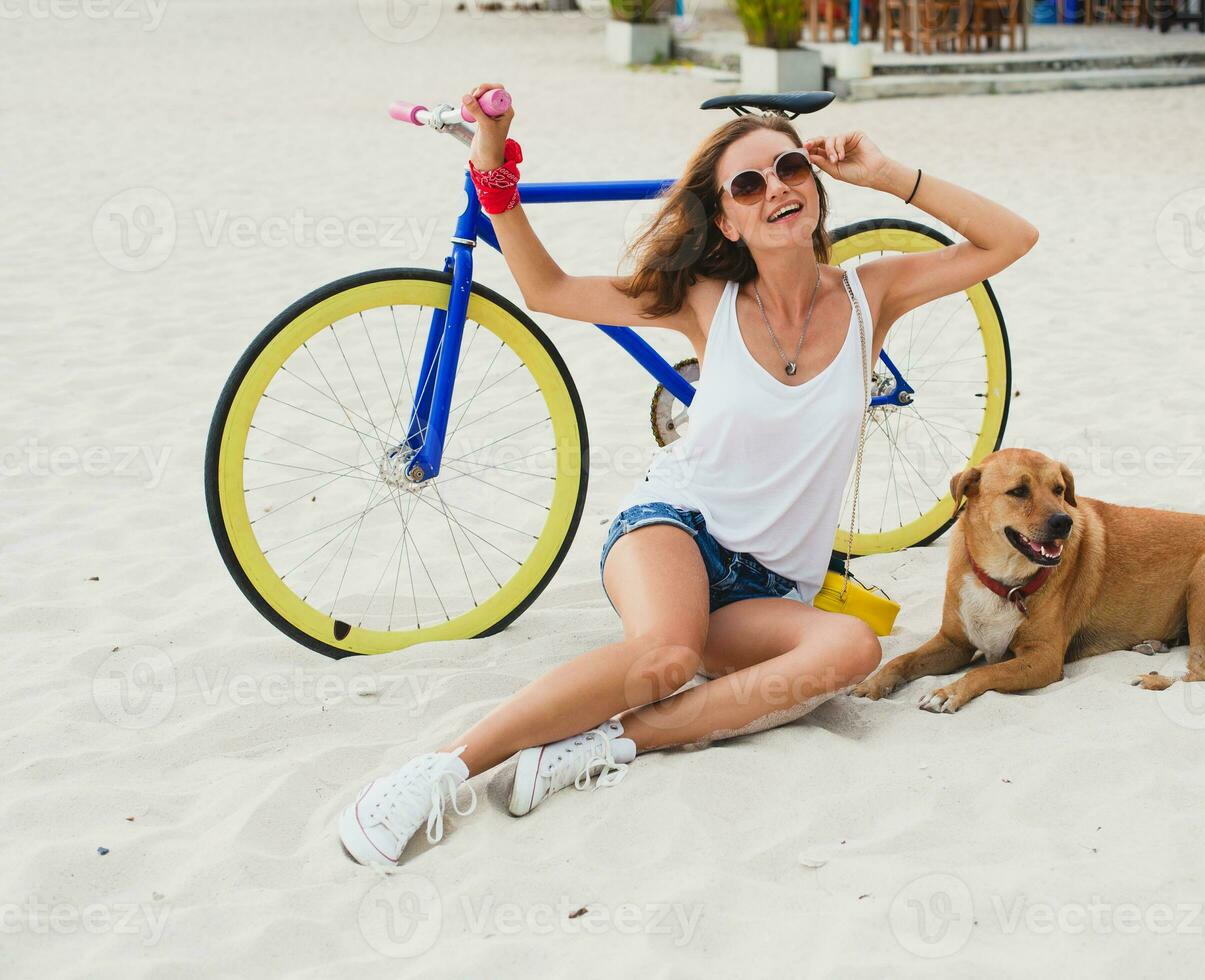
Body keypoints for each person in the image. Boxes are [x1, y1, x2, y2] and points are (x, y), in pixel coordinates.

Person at [338, 82, 1038, 867]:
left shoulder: (873, 294)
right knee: (666, 655)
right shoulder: (705, 300)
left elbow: (1012, 238)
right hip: (673, 528)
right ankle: (441, 771)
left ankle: (604, 743)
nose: (776, 189)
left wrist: (887, 173)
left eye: (788, 170)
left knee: (849, 650)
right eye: (748, 185)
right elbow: (548, 290)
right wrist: (493, 166)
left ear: (814, 183)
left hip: (768, 586)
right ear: (729, 221)